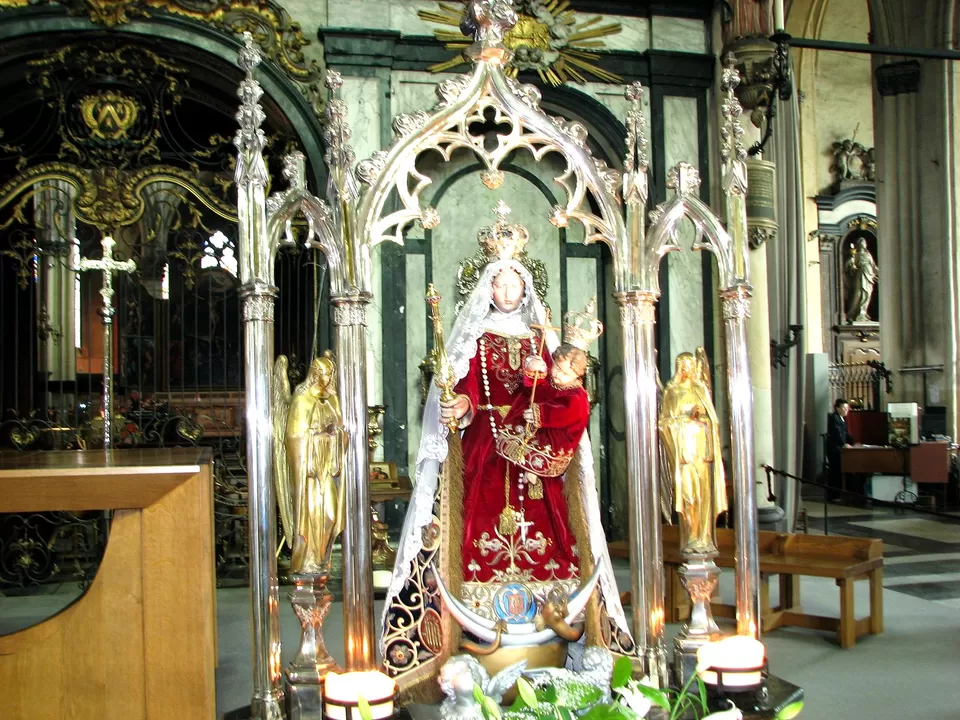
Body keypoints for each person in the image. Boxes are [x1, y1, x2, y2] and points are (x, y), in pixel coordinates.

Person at [380, 208, 631, 693]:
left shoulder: (544, 337)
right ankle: (480, 621)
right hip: (488, 454)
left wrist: (553, 396)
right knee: (479, 526)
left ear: (526, 287)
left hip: (537, 463)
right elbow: (470, 391)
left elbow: (570, 393)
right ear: (488, 289)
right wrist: (459, 404)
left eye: (516, 284)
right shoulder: (475, 338)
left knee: (552, 529)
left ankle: (556, 622)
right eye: (500, 284)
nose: (508, 292)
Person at [658, 349, 727, 556]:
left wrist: (701, 418)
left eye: (690, 365)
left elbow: (714, 420)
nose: (688, 368)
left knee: (703, 495)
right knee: (688, 495)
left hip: (701, 453)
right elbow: (663, 423)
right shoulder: (672, 390)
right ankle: (690, 535)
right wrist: (685, 420)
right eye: (684, 365)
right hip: (684, 455)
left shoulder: (700, 389)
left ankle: (704, 536)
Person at [826, 398, 856, 503]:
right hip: (834, 449)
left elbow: (846, 433)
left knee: (838, 472)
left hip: (839, 449)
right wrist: (844, 444)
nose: (846, 410)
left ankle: (838, 494)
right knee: (835, 472)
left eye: (847, 408)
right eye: (844, 408)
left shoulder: (842, 418)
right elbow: (837, 433)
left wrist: (854, 442)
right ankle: (833, 496)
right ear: (837, 408)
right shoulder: (834, 418)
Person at [845, 237, 878, 323]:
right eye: (861, 243)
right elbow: (849, 268)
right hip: (859, 275)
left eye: (864, 243)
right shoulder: (855, 255)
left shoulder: (868, 255)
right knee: (858, 294)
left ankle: (862, 313)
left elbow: (873, 267)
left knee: (867, 294)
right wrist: (851, 263)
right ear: (858, 245)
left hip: (868, 276)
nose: (863, 244)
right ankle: (852, 314)